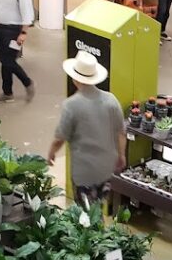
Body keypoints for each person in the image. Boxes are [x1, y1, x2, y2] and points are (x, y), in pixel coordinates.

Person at [47, 50, 126, 207]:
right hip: (106, 168)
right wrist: (121, 155)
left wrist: (51, 153)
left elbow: (60, 137)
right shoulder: (111, 100)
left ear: (75, 79)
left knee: (85, 213)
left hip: (84, 171)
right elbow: (121, 132)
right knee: (97, 206)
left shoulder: (71, 105)